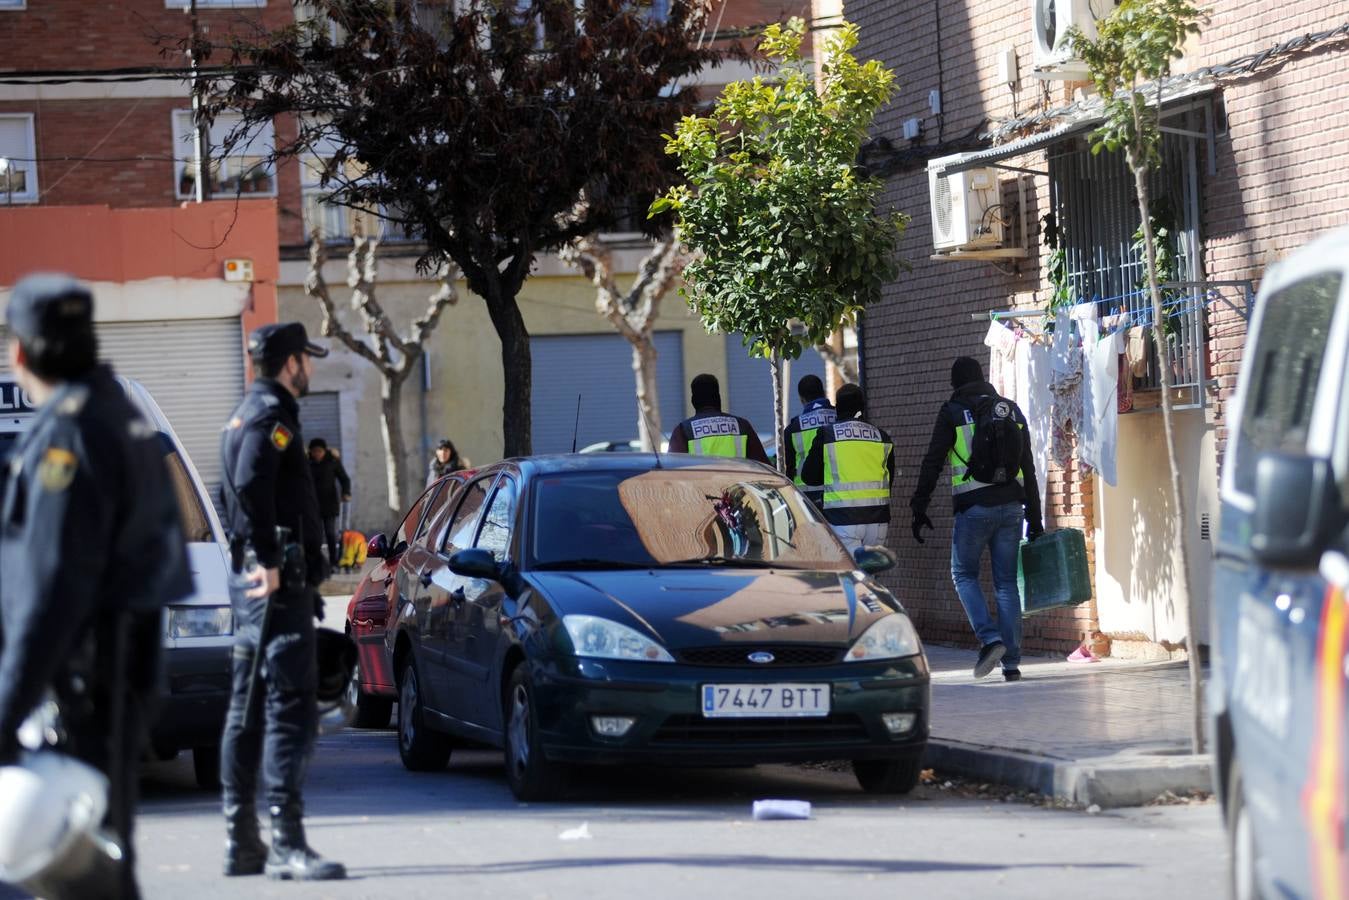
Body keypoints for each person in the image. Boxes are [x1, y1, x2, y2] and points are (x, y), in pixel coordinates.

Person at [0, 273, 192, 899]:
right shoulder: (123, 418)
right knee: (99, 872)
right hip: (121, 682)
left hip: (78, 694)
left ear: (20, 352)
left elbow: (52, 590)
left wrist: (6, 714)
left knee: (74, 873)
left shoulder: (69, 433)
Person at [218, 322, 345, 881]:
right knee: (290, 711)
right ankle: (286, 843)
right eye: (306, 360)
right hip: (276, 585)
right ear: (290, 362)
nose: (310, 369)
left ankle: (241, 842)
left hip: (257, 582)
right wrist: (270, 559)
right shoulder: (271, 417)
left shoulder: (247, 410)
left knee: (245, 712)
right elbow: (248, 485)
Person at [909, 356, 1043, 683]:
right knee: (1007, 584)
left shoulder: (952, 412)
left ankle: (990, 638)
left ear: (955, 383)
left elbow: (933, 462)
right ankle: (1011, 663)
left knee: (963, 574)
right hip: (1012, 507)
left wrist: (919, 505)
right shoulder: (1009, 409)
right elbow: (1028, 466)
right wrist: (1035, 519)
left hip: (973, 509)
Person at [800, 384, 895, 553]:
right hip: (878, 520)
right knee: (869, 575)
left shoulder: (827, 434)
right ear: (862, 407)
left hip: (843, 519)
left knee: (851, 576)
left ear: (837, 408)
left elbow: (809, 476)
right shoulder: (881, 436)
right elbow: (889, 480)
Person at [667, 373, 771, 463]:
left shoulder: (683, 430)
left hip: (702, 486)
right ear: (718, 398)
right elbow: (763, 467)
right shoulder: (742, 426)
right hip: (738, 485)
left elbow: (673, 472)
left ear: (693, 400)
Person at [782, 374, 837, 508]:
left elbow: (789, 469)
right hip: (838, 493)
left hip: (807, 499)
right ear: (823, 392)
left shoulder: (793, 428)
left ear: (802, 399)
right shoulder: (840, 418)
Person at [307, 438, 351, 567]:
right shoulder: (306, 463)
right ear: (311, 452)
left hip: (330, 504)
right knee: (316, 535)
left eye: (320, 451)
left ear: (324, 451)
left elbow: (344, 479)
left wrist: (346, 492)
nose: (317, 454)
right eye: (314, 451)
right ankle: (317, 562)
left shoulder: (332, 461)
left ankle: (334, 561)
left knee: (331, 533)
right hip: (313, 505)